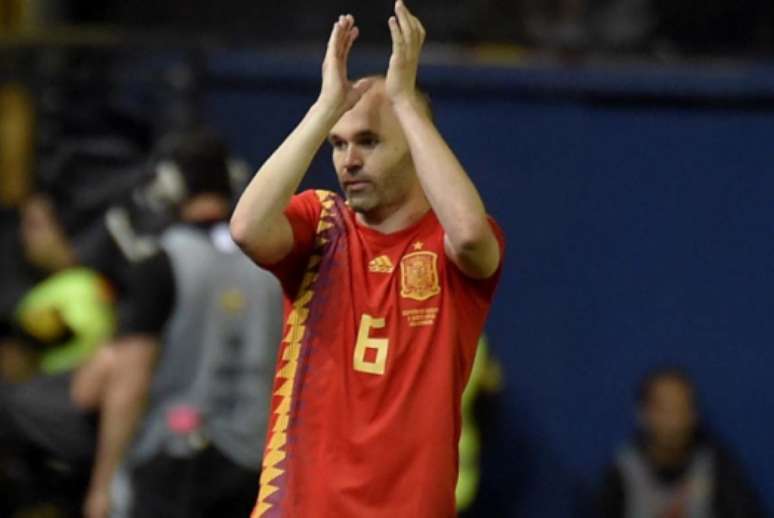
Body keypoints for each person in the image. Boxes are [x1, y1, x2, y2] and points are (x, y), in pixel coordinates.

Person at [230, 2, 505, 516]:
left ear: (417, 145)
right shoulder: (321, 225)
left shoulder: (453, 245)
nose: (347, 160)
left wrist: (404, 101)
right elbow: (246, 229)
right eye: (338, 144)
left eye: (369, 141)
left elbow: (468, 234)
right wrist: (323, 110)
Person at [78, 129, 283, 518]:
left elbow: (130, 381)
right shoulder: (269, 261)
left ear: (168, 187)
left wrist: (102, 484)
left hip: (174, 460)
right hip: (256, 464)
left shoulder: (161, 263)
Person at [596, 367, 765, 518]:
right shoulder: (623, 470)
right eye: (664, 410)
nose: (673, 421)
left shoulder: (716, 465)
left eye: (681, 408)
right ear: (642, 413)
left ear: (694, 414)